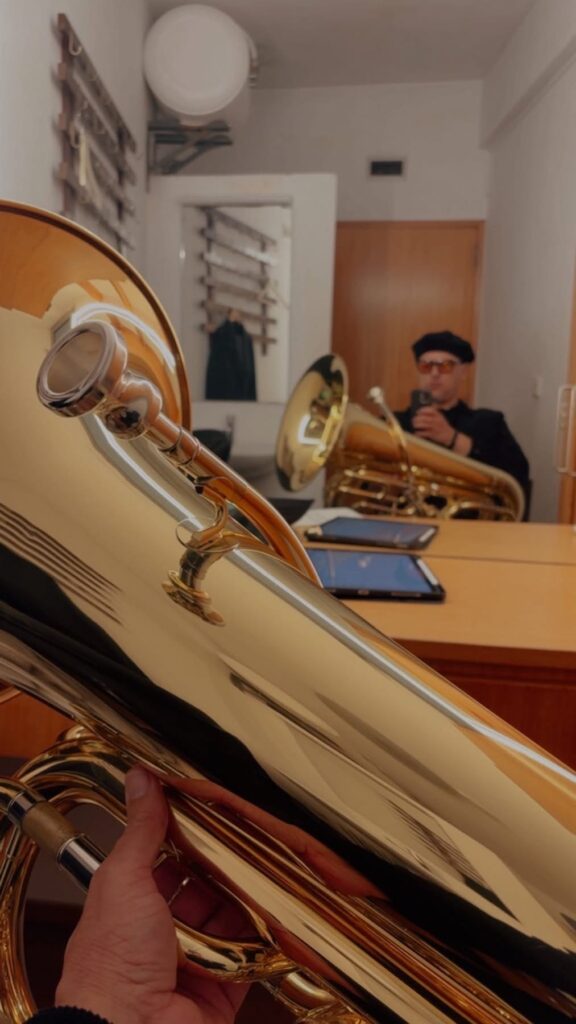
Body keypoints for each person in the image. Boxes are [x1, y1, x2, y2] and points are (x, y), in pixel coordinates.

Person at [393, 331, 530, 499]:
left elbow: (518, 476)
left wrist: (453, 439)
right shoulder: (394, 423)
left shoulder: (489, 424)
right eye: (426, 366)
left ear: (463, 372)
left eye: (445, 365)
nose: (434, 373)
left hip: (466, 515)